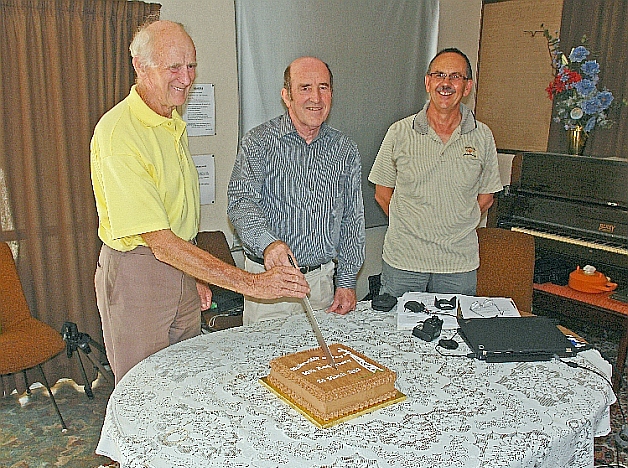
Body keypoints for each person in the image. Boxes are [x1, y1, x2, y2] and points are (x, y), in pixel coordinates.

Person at [90, 20, 310, 388]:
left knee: (185, 385)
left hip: (178, 266)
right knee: (144, 395)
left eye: (191, 65)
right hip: (138, 275)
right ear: (140, 66)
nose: (186, 77)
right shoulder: (119, 134)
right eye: (174, 66)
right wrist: (252, 284)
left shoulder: (170, 120)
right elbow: (159, 241)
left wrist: (191, 276)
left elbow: (175, 226)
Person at [227, 56, 365, 325]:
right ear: (286, 96)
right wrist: (269, 243)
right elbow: (241, 204)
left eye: (323, 87)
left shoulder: (344, 150)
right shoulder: (258, 143)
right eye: (305, 88)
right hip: (268, 285)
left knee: (318, 365)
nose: (316, 97)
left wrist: (346, 281)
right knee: (265, 363)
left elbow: (352, 219)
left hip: (320, 286)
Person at [368, 48, 502, 297]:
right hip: (404, 261)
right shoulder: (399, 132)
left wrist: (453, 227)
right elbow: (382, 193)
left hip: (458, 265)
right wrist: (412, 228)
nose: (446, 83)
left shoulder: (482, 136)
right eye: (439, 75)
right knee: (394, 332)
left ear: (467, 86)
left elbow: (487, 196)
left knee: (452, 333)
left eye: (455, 77)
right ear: (428, 82)